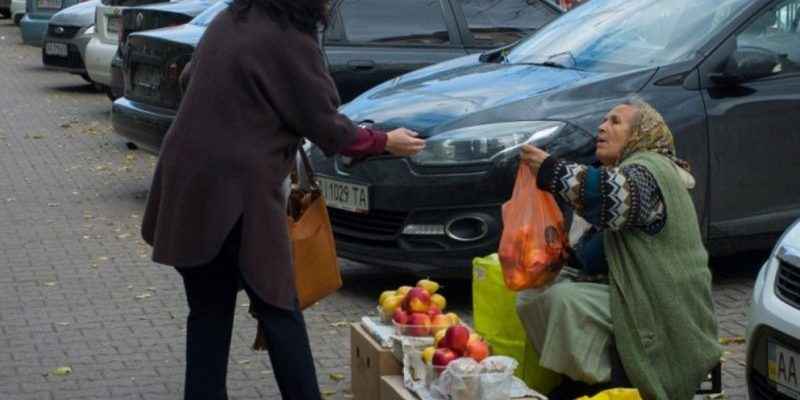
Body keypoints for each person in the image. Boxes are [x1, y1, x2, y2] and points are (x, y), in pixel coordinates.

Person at [139, 0, 426, 398]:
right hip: (238, 192)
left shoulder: (231, 19)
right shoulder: (288, 37)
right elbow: (326, 125)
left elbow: (191, 78)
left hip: (187, 182)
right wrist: (385, 141)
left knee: (208, 312)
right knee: (279, 308)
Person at [516, 98, 720, 400]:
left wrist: (551, 170)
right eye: (603, 120)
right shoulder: (630, 170)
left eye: (615, 122)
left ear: (641, 134)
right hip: (635, 294)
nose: (602, 126)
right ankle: (584, 379)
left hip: (661, 307)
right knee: (536, 293)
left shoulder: (651, 172)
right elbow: (599, 253)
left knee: (566, 300)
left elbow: (612, 196)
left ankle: (606, 383)